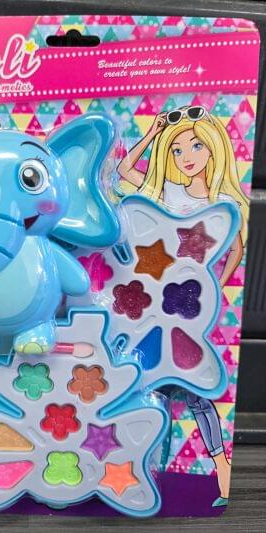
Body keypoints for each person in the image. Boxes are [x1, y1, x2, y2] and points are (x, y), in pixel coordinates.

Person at [117, 105, 249, 506]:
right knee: (145, 381)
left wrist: (212, 289)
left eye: (195, 146)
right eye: (176, 149)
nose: (186, 156)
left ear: (212, 147)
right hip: (149, 299)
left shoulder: (222, 201)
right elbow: (123, 171)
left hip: (189, 307)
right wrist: (152, 133)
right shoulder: (167, 192)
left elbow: (236, 249)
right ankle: (139, 465)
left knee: (196, 389)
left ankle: (218, 468)